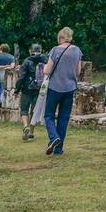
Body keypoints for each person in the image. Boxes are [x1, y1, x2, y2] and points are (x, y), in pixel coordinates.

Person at [43, 27, 82, 156]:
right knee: (63, 117)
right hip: (70, 88)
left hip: (55, 87)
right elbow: (78, 71)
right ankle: (58, 149)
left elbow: (47, 70)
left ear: (60, 38)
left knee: (48, 115)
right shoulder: (77, 51)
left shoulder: (55, 50)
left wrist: (43, 68)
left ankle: (54, 138)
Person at [15, 44, 46, 141]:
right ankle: (31, 132)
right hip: (40, 89)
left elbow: (21, 77)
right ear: (40, 50)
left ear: (30, 51)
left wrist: (17, 89)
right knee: (34, 110)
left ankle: (25, 126)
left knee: (24, 109)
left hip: (27, 89)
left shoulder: (27, 61)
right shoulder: (45, 60)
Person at [0, 43, 16, 109]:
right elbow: (12, 66)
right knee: (3, 89)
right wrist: (6, 66)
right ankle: (2, 102)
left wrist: (2, 66)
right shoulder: (11, 57)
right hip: (7, 76)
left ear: (1, 49)